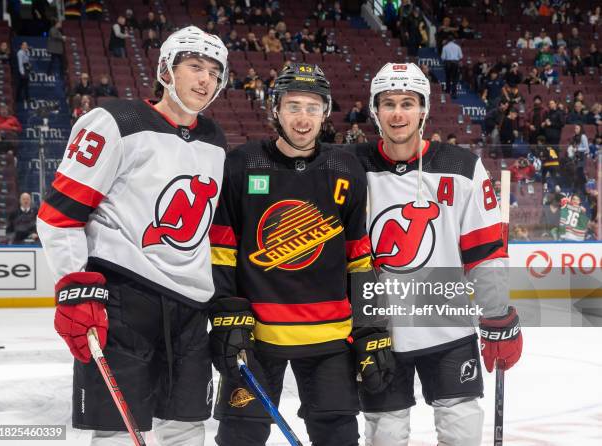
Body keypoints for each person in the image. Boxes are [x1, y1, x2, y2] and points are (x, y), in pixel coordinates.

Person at [36, 26, 230, 446]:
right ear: (166, 70)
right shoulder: (114, 121)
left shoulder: (215, 139)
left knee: (186, 427)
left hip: (191, 309)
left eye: (215, 73)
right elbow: (59, 215)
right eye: (195, 67)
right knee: (117, 431)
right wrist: (75, 288)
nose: (205, 81)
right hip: (125, 299)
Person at [209, 62, 391, 446]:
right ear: (275, 109)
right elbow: (222, 249)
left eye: (312, 107)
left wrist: (371, 330)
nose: (303, 118)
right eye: (293, 106)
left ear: (325, 112)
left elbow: (360, 259)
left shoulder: (346, 168)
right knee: (239, 437)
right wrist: (227, 311)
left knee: (338, 437)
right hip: (256, 334)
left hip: (330, 336)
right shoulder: (242, 165)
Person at [346, 62, 523, 446]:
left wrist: (497, 316)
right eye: (388, 103)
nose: (398, 113)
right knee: (385, 436)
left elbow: (486, 251)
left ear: (423, 109)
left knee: (461, 433)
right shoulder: (350, 166)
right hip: (379, 332)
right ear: (374, 110)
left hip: (448, 327)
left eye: (408, 103)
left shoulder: (461, 166)